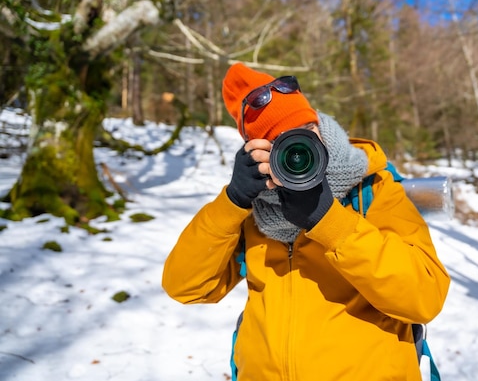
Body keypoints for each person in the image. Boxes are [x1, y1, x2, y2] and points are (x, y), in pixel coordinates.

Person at [162, 63, 450, 381]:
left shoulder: (373, 188)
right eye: (277, 144)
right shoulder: (253, 210)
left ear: (319, 128)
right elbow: (184, 286)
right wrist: (232, 201)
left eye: (304, 134)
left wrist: (328, 220)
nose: (296, 154)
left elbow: (425, 297)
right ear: (256, 154)